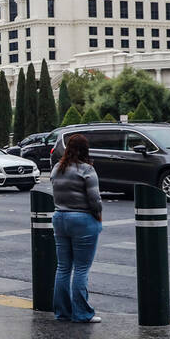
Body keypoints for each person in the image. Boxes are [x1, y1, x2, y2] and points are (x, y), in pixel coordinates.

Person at [49, 134, 103, 323]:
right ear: (85, 150)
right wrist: (98, 216)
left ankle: (62, 312)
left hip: (59, 218)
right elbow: (95, 199)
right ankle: (82, 314)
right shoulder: (87, 169)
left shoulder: (57, 168)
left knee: (63, 268)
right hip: (82, 219)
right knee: (81, 269)